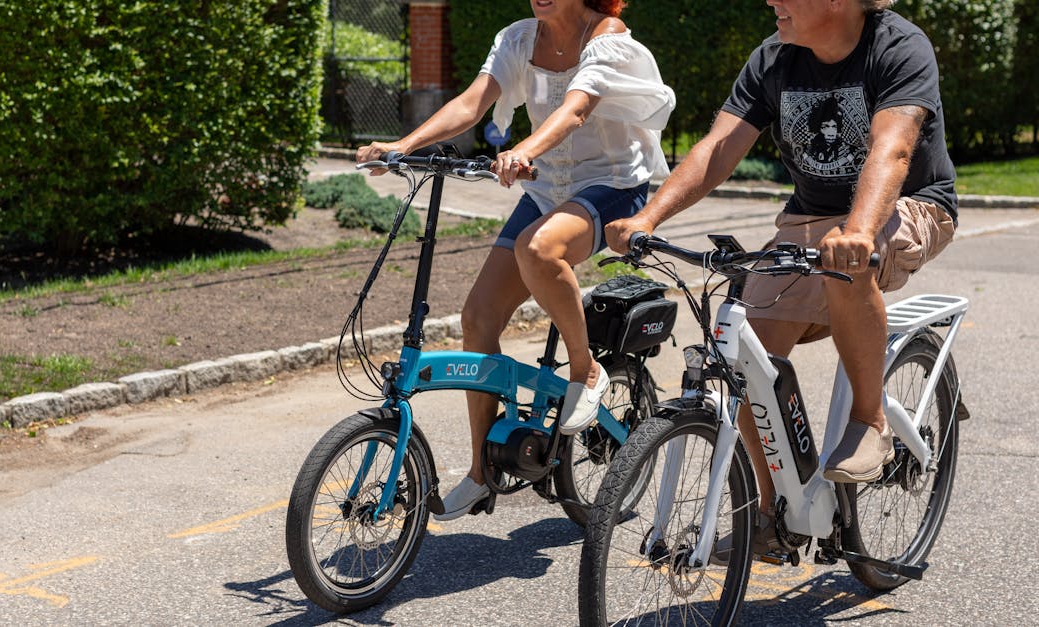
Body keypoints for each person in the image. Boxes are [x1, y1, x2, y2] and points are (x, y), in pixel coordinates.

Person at [605, 0, 956, 555]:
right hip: (811, 218)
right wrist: (647, 218)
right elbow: (718, 150)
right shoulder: (775, 58)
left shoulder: (896, 45)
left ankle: (869, 421)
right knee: (749, 357)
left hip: (907, 207)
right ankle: (775, 510)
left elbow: (892, 149)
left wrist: (861, 230)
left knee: (849, 266)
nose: (770, 1)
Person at [357, 0, 675, 521]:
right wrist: (403, 145)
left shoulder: (608, 37)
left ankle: (585, 368)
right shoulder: (519, 39)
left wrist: (523, 149)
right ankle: (483, 476)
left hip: (612, 184)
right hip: (548, 189)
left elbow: (576, 109)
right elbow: (472, 103)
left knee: (539, 248)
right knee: (477, 319)